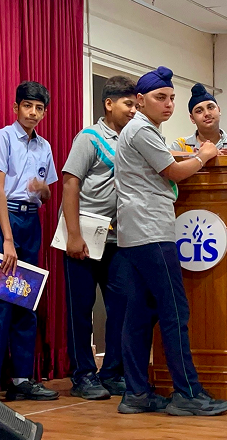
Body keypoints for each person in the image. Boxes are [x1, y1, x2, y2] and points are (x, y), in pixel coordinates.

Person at [115, 66, 227, 416]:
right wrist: (204, 155)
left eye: (171, 98)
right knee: (174, 311)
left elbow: (165, 160)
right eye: (160, 97)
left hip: (135, 234)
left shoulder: (141, 130)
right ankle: (187, 393)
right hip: (152, 232)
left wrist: (192, 156)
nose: (168, 104)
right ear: (140, 100)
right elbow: (174, 172)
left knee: (139, 314)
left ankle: (136, 393)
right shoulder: (142, 130)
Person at [62, 76, 138, 400]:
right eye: (128, 104)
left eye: (136, 105)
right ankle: (82, 375)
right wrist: (74, 235)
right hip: (84, 237)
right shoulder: (89, 138)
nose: (133, 110)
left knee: (122, 305)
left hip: (117, 239)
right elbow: (70, 183)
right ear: (109, 104)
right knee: (81, 310)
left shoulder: (132, 139)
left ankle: (111, 372)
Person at [0, 81, 59, 401]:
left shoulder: (44, 146)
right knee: (2, 302)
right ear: (16, 107)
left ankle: (22, 378)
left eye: (39, 108)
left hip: (31, 221)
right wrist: (7, 239)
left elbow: (47, 194)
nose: (33, 113)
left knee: (25, 299)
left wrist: (43, 189)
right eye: (27, 106)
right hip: (6, 220)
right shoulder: (4, 138)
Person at [170, 83, 227, 155]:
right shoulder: (180, 146)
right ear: (192, 118)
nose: (207, 113)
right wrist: (199, 155)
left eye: (211, 107)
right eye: (199, 111)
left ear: (219, 110)